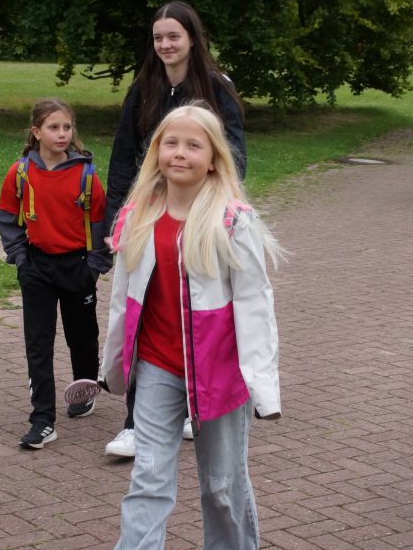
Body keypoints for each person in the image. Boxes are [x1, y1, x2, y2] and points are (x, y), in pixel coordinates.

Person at [100, 103, 281, 549]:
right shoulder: (137, 216)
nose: (180, 153)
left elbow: (255, 305)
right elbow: (123, 299)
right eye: (171, 143)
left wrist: (262, 384)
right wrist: (115, 364)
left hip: (220, 371)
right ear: (157, 151)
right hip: (158, 367)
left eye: (193, 145)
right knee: (148, 477)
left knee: (222, 486)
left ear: (214, 158)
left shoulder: (233, 221)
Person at [104, 0, 247, 459]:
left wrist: (220, 214)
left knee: (197, 312)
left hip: (201, 220)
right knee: (143, 313)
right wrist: (115, 219)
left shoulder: (217, 88)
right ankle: (135, 422)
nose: (165, 45)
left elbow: (234, 157)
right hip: (149, 217)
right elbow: (123, 156)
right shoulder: (143, 88)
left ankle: (194, 403)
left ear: (191, 38)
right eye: (158, 37)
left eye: (173, 36)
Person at [0, 98, 110, 449]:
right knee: (38, 343)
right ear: (36, 132)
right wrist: (20, 258)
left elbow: (100, 223)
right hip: (37, 268)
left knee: (82, 336)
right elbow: (8, 218)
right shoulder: (19, 173)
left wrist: (94, 267)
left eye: (67, 127)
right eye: (53, 127)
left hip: (78, 267)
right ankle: (43, 419)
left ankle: (84, 390)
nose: (62, 134)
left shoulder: (86, 175)